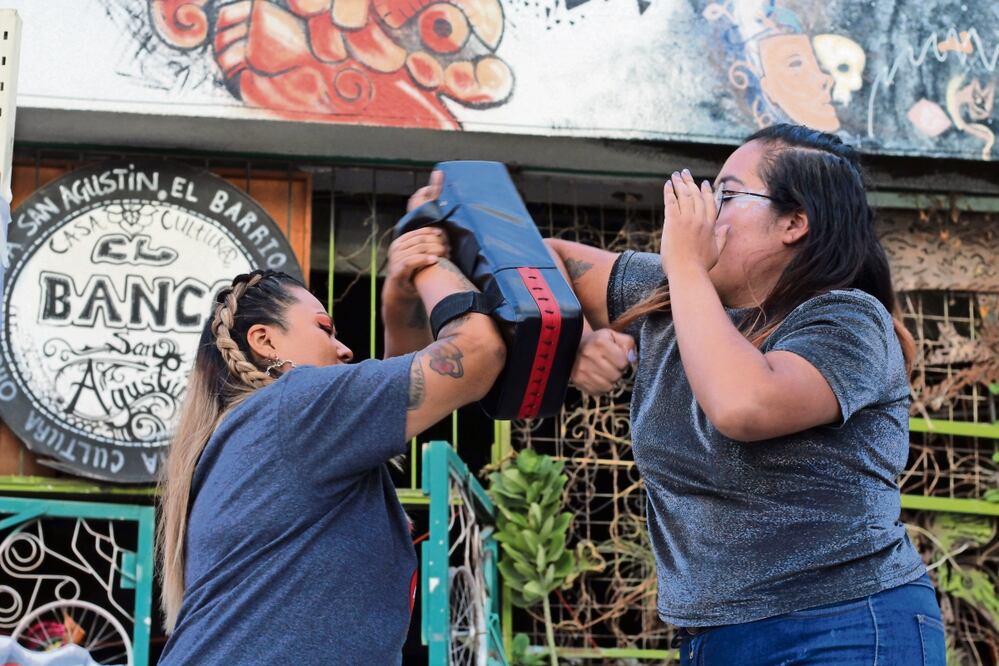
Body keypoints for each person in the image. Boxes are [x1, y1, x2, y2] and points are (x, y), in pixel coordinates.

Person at [538, 124, 945, 664]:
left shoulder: (849, 322)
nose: (705, 213)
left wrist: (684, 265)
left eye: (726, 195)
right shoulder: (678, 296)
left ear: (795, 223)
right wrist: (579, 339)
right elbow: (545, 260)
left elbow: (742, 405)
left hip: (845, 623)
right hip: (715, 635)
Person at [157, 193, 504, 664]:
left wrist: (401, 295)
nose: (344, 349)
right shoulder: (294, 407)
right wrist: (431, 261)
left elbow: (403, 391)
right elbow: (478, 353)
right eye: (325, 328)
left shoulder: (272, 431)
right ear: (264, 340)